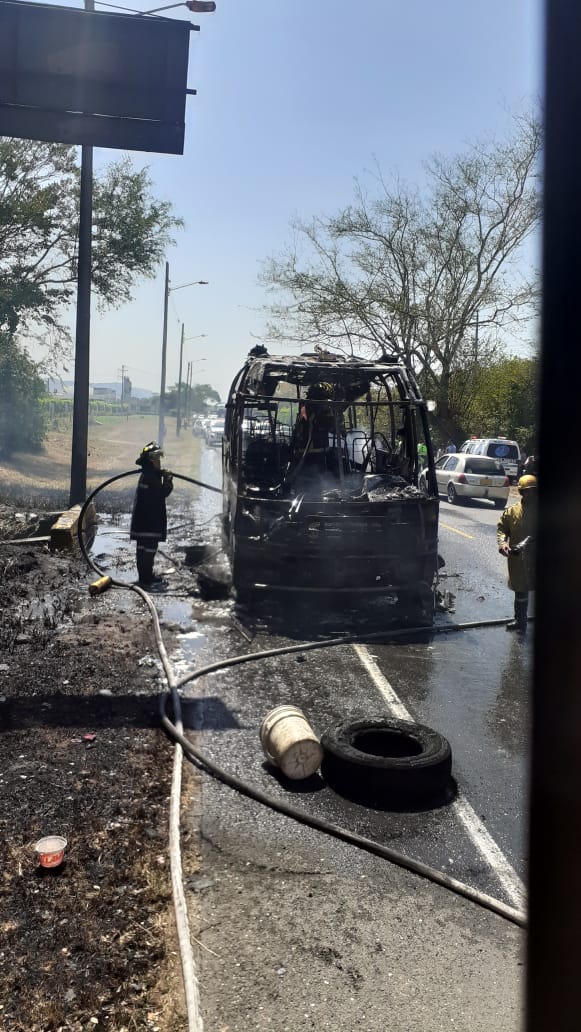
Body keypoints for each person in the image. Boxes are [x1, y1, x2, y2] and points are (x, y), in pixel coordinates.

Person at [497, 474, 537, 632]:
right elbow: (502, 528)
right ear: (521, 492)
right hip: (518, 559)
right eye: (527, 491)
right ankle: (520, 620)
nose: (530, 494)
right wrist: (503, 543)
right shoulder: (512, 511)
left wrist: (527, 541)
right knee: (520, 589)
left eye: (533, 491)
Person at [130, 442, 173, 586]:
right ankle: (147, 578)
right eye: (157, 460)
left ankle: (144, 576)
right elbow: (162, 493)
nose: (159, 462)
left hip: (142, 522)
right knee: (149, 550)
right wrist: (168, 480)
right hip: (150, 523)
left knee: (142, 549)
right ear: (151, 461)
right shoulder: (150, 477)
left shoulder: (148, 475)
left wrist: (160, 474)